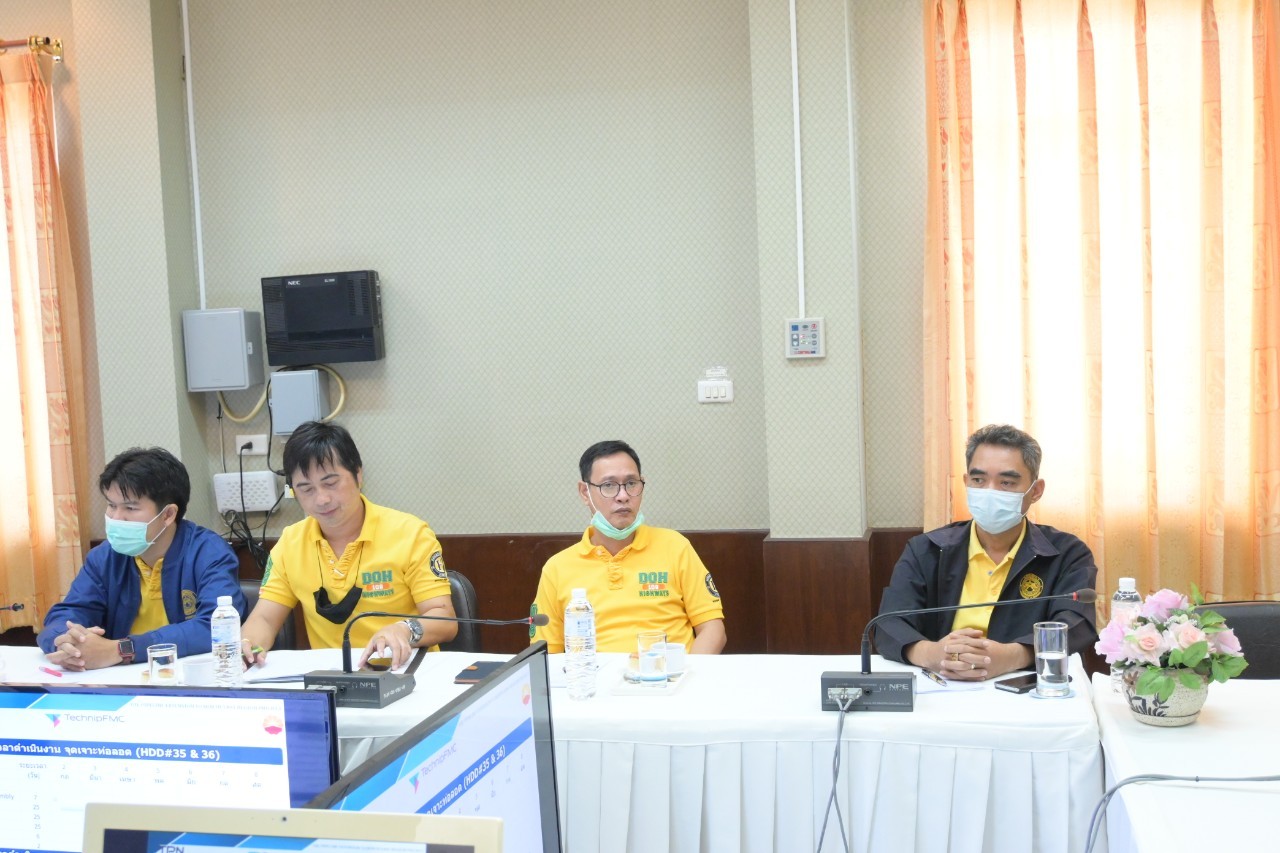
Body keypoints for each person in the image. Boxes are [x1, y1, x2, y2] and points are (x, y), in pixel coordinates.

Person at [875, 424, 1098, 681]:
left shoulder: (1067, 554)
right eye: (978, 480)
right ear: (966, 482)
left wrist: (1013, 656)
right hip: (942, 684)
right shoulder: (925, 549)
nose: (990, 491)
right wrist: (933, 653)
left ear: (1035, 491)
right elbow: (889, 624)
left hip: (1021, 687)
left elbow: (1076, 625)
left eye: (1006, 482)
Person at [240, 421, 455, 670]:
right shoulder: (290, 543)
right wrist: (247, 644)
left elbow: (445, 618)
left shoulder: (410, 534)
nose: (322, 499)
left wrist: (404, 629)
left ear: (358, 474)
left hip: (406, 673)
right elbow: (265, 619)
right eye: (306, 489)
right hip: (334, 680)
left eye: (331, 483)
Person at [37, 447, 244, 670]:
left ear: (168, 514)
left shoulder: (209, 552)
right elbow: (66, 615)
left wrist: (122, 650)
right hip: (118, 677)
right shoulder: (104, 557)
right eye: (111, 505)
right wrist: (67, 642)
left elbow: (214, 627)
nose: (116, 518)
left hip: (188, 676)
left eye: (130, 508)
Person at [531, 440, 726, 654]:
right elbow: (548, 652)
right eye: (609, 485)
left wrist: (687, 672)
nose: (623, 496)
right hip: (594, 674)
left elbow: (713, 629)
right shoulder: (557, 568)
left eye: (631, 483)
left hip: (669, 673)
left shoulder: (675, 547)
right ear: (585, 492)